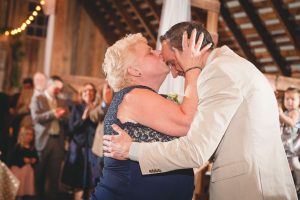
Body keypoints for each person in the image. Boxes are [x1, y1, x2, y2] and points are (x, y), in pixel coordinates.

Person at [103, 21, 297, 199]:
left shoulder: (219, 72)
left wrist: (133, 149)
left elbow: (195, 148)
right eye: (150, 52)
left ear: (188, 52)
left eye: (172, 62)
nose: (173, 72)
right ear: (134, 70)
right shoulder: (228, 67)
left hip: (252, 188)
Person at [91, 31, 211, 200]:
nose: (158, 52)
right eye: (149, 52)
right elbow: (188, 124)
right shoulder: (133, 96)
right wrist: (192, 68)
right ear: (134, 70)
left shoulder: (142, 97)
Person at [30, 77, 69, 200]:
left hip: (58, 142)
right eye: (56, 87)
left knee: (54, 175)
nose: (58, 90)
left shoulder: (63, 101)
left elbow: (67, 120)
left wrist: (62, 117)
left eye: (60, 88)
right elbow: (35, 118)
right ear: (49, 84)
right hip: (43, 141)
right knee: (39, 174)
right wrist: (53, 114)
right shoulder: (38, 98)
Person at [62, 83, 99, 200]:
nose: (88, 93)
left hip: (93, 149)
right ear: (82, 94)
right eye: (85, 91)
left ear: (94, 94)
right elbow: (71, 129)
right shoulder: (76, 107)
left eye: (91, 91)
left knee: (91, 182)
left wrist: (93, 114)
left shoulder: (98, 109)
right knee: (78, 183)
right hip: (78, 149)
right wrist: (83, 117)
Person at [8, 126, 38, 200]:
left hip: (28, 173)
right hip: (19, 172)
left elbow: (36, 158)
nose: (29, 137)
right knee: (18, 190)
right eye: (27, 134)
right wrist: (23, 160)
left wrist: (34, 160)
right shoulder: (17, 147)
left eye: (31, 134)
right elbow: (12, 159)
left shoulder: (32, 148)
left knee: (25, 190)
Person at [279, 87, 300, 193]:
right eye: (287, 99)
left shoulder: (295, 112)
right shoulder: (286, 112)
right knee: (288, 166)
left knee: (295, 164)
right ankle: (292, 185)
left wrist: (280, 114)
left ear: (299, 101)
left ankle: (298, 184)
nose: (289, 101)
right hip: (286, 144)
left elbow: (291, 122)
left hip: (293, 145)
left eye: (293, 99)